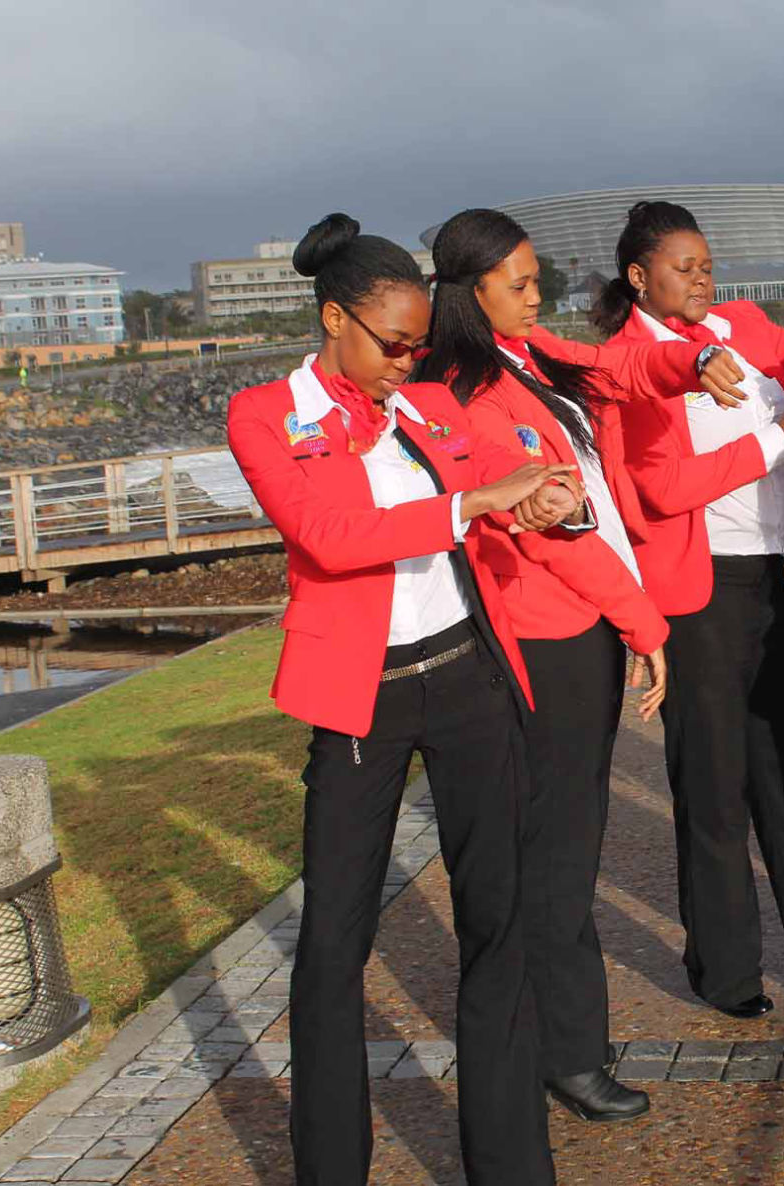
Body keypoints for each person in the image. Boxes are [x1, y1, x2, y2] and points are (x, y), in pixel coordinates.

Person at [226, 214, 588, 1185]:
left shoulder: (424, 406)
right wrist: (470, 504)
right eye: (392, 342)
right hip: (363, 698)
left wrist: (543, 502)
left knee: (498, 925)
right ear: (333, 319)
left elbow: (497, 485)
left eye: (417, 345)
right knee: (333, 942)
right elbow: (329, 536)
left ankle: (511, 1166)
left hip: (469, 678)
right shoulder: (265, 414)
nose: (405, 360)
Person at [409, 208, 737, 1123]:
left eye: (536, 280)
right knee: (557, 849)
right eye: (518, 285)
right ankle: (568, 1051)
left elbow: (619, 367)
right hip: (548, 637)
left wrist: (693, 360)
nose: (536, 296)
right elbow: (550, 532)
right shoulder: (466, 393)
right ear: (470, 292)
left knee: (567, 840)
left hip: (582, 628)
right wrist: (644, 623)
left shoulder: (526, 354)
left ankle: (559, 1040)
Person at [596, 199, 784, 1019]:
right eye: (683, 267)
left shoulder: (741, 325)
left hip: (764, 577)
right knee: (714, 785)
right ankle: (726, 971)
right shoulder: (627, 365)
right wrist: (782, 428)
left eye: (707, 265)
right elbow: (661, 488)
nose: (702, 279)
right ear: (638, 277)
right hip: (696, 591)